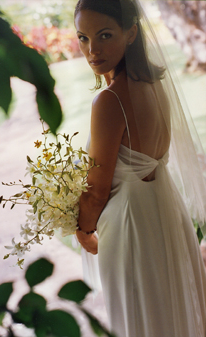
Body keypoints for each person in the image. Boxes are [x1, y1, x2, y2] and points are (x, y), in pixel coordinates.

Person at [74, 0, 206, 336]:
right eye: (83, 38)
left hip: (129, 225)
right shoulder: (155, 84)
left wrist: (81, 226)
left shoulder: (109, 101)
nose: (92, 50)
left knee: (139, 317)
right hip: (164, 213)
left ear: (131, 32)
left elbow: (98, 189)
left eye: (104, 35)